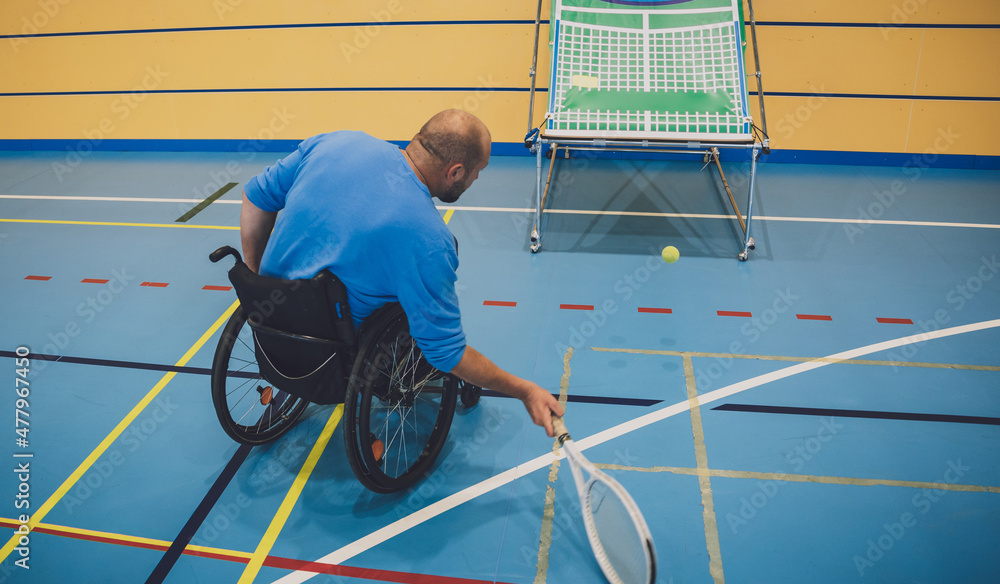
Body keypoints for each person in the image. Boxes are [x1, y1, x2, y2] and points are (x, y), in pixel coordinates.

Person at [240, 109, 565, 436]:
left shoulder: (333, 143)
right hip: (333, 356)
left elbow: (255, 197)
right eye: (478, 171)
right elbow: (448, 354)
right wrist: (525, 390)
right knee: (420, 292)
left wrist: (256, 282)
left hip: (268, 326)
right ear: (455, 172)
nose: (477, 179)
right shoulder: (428, 240)